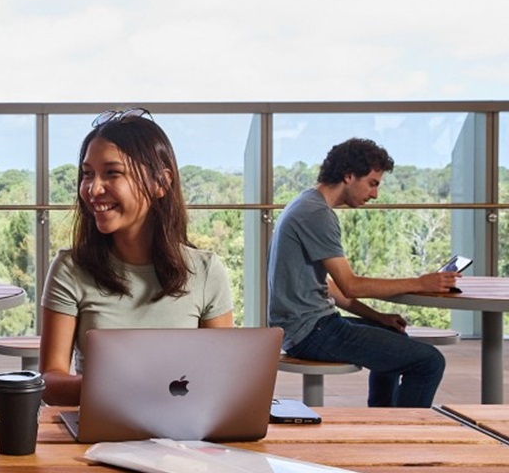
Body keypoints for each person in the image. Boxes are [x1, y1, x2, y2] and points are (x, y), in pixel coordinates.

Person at [39, 108, 234, 406]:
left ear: (160, 182)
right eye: (88, 174)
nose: (93, 188)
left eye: (112, 173)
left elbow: (223, 377)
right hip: (101, 438)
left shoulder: (207, 272)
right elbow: (50, 381)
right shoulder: (69, 269)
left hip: (187, 435)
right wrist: (120, 390)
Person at [268, 137, 455, 408]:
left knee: (394, 336)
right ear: (348, 176)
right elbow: (351, 285)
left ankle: (382, 419)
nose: (375, 194)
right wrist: (420, 283)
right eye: (373, 183)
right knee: (429, 361)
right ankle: (403, 438)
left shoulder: (305, 203)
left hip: (304, 326)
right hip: (310, 332)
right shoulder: (317, 214)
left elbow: (330, 287)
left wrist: (379, 317)